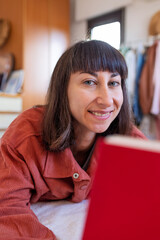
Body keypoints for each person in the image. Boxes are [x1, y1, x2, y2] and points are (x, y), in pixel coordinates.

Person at [0, 40, 146, 239]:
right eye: (89, 82)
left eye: (113, 83)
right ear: (63, 89)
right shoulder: (24, 137)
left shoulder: (130, 141)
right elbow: (7, 210)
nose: (106, 100)